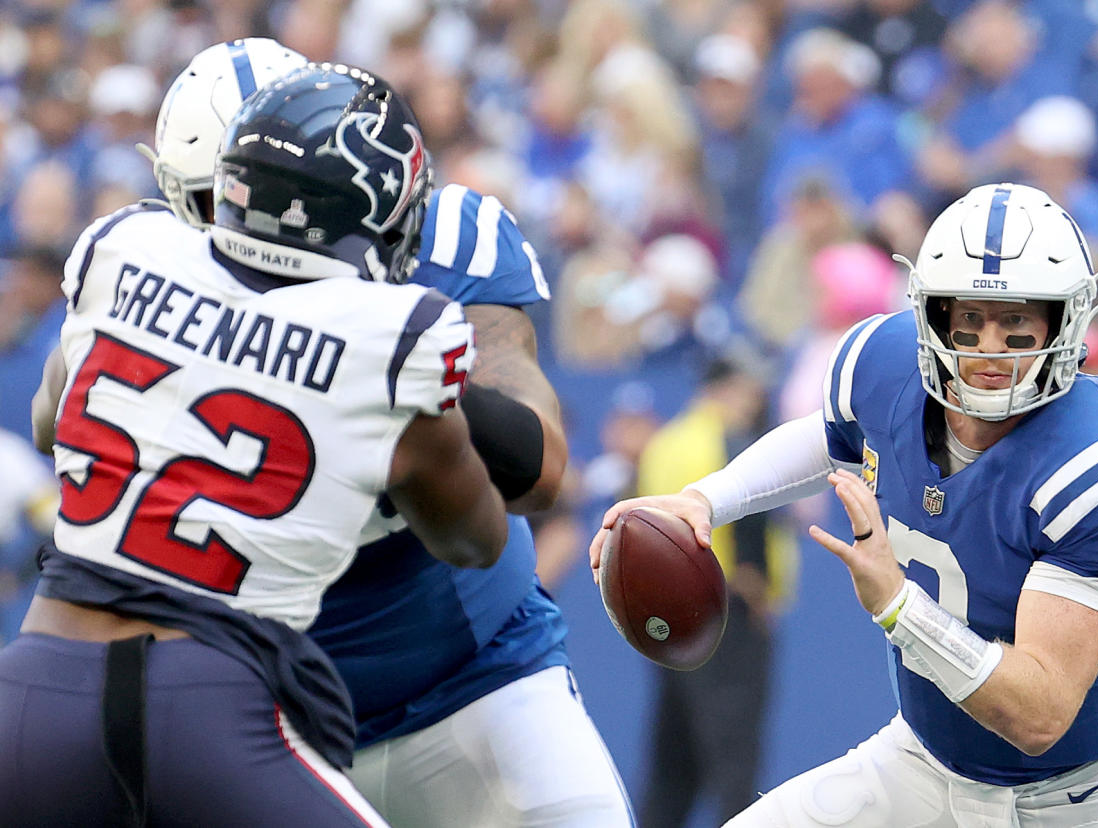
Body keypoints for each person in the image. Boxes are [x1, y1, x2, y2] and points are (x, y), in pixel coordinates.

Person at [591, 183, 1098, 826]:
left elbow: (1040, 715)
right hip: (927, 763)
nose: (990, 350)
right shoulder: (886, 366)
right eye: (970, 319)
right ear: (933, 316)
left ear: (1067, 323)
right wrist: (706, 500)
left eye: (1017, 324)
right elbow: (829, 435)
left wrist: (898, 607)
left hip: (1086, 792)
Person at [133, 35, 631, 828]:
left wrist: (381, 366)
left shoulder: (444, 239)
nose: (232, 233)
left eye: (262, 201)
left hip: (474, 678)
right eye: (208, 204)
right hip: (266, 721)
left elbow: (541, 472)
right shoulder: (145, 284)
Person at [1, 62, 509, 826]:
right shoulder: (395, 339)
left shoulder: (126, 244)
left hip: (36, 684)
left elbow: (51, 423)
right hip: (212, 712)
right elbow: (477, 538)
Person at [634, 352, 794, 827]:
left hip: (671, 624)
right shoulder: (733, 441)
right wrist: (758, 598)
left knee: (673, 767)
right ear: (728, 386)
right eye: (749, 387)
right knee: (735, 763)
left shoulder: (665, 442)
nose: (756, 398)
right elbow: (748, 529)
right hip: (729, 617)